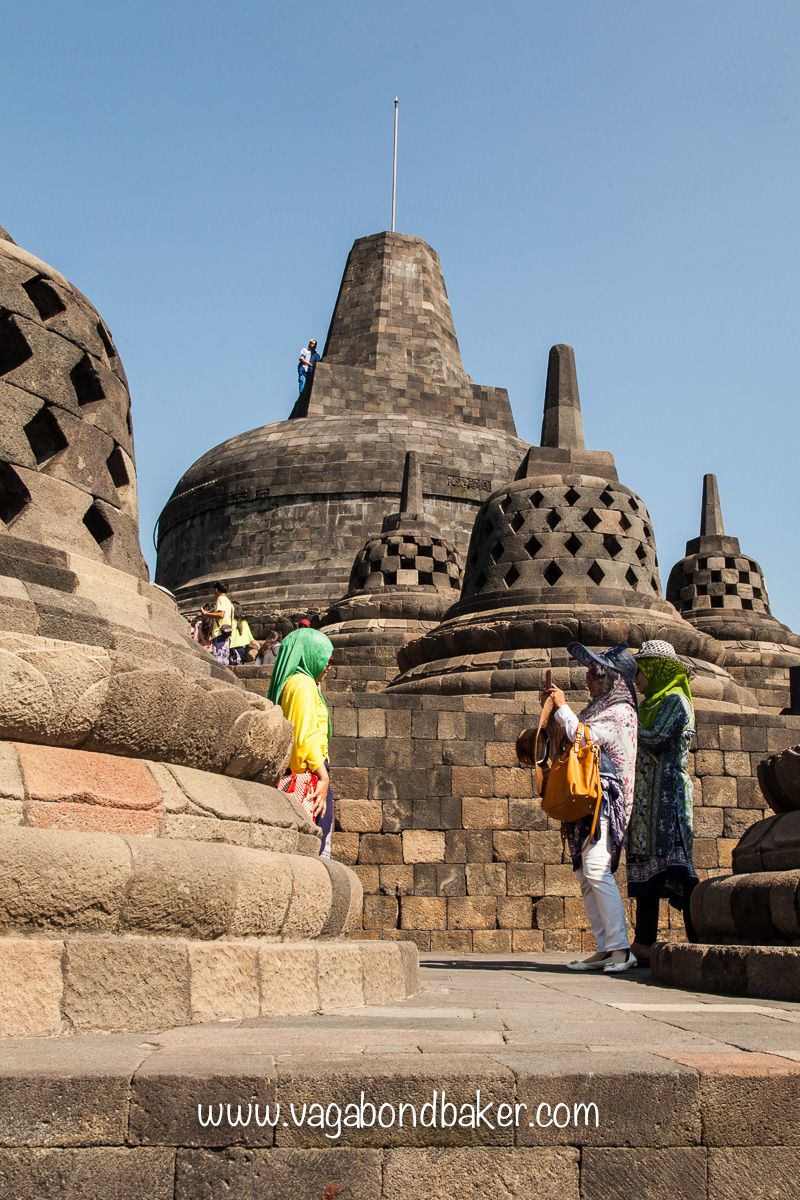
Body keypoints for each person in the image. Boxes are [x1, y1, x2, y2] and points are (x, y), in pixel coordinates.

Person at [542, 643, 639, 973]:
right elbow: (570, 735)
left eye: (595, 673)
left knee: (597, 869)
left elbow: (584, 738)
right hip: (585, 796)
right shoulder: (597, 708)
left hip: (603, 801)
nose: (588, 678)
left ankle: (621, 949)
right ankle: (605, 946)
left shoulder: (620, 712)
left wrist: (563, 707)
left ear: (612, 679)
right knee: (586, 875)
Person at [627, 640, 699, 966]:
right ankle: (643, 943)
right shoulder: (646, 706)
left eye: (640, 669)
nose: (636, 677)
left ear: (656, 669)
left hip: (669, 802)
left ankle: (700, 937)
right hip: (645, 805)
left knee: (678, 870)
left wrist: (626, 724)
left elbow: (656, 738)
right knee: (647, 874)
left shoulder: (676, 702)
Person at [268, 627, 335, 858]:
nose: (328, 664)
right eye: (325, 657)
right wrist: (324, 777)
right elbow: (304, 736)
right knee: (316, 853)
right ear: (309, 654)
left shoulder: (293, 683)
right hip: (312, 777)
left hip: (303, 775)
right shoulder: (302, 685)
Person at [201, 581, 234, 667]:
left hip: (219, 633)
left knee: (218, 662)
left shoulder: (220, 599)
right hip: (227, 633)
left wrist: (206, 614)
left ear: (216, 590)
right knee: (223, 660)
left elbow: (221, 615)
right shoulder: (229, 602)